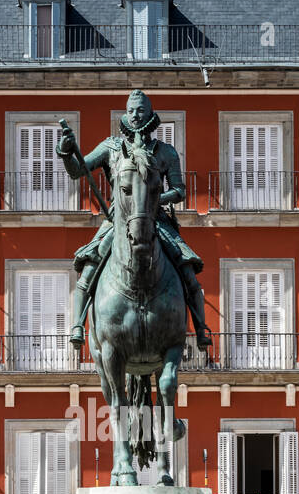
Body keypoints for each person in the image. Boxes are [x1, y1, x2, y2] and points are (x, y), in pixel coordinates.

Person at [56, 90, 212, 351]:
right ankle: (77, 326)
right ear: (125, 114)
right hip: (118, 219)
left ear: (149, 114)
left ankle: (200, 327)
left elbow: (180, 190)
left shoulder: (165, 152)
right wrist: (65, 152)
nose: (135, 115)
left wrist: (155, 200)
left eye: (140, 110)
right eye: (131, 111)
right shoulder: (111, 147)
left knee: (186, 268)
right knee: (91, 265)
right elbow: (77, 172)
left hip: (155, 218)